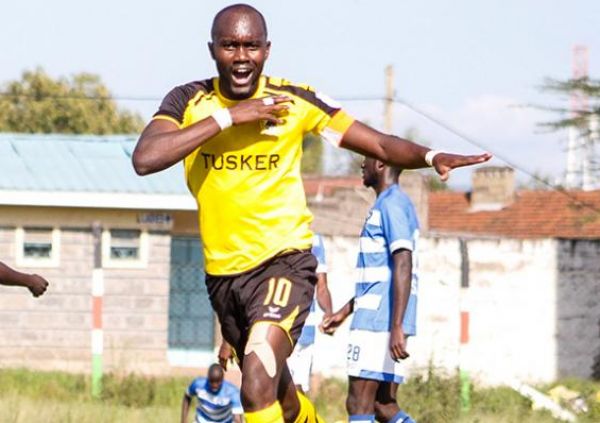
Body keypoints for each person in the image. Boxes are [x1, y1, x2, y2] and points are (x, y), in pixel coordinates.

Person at [132, 4, 491, 422]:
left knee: (255, 382)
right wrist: (229, 117)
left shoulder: (294, 100)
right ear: (213, 49)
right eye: (230, 46)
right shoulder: (188, 100)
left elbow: (377, 145)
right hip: (223, 279)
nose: (242, 56)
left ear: (267, 50)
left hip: (283, 265)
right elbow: (146, 158)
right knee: (281, 397)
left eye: (251, 46)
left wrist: (430, 155)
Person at [321, 157, 419, 423]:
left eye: (365, 160)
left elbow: (403, 262)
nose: (361, 166)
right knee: (382, 405)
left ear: (379, 164)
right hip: (382, 316)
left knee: (358, 402)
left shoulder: (392, 204)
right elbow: (383, 273)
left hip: (380, 321)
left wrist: (396, 325)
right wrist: (344, 311)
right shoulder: (389, 203)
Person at [287, 233, 332, 393]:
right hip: (279, 327)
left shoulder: (314, 240)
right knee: (282, 392)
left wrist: (328, 313)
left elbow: (321, 286)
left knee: (299, 391)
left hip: (306, 329)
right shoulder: (273, 232)